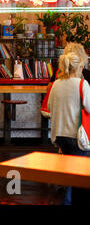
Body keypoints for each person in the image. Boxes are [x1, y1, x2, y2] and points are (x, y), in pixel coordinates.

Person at [48, 52, 90, 205]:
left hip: (59, 135)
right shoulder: (81, 84)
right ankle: (67, 201)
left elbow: (50, 107)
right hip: (76, 135)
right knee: (77, 173)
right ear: (79, 67)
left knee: (71, 170)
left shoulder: (56, 84)